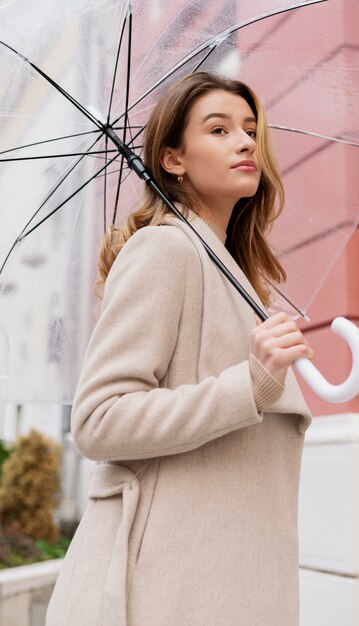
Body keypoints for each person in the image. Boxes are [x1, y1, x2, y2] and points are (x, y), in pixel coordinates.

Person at [46, 71, 313, 626]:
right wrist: (250, 384)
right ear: (174, 160)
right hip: (165, 590)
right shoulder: (165, 250)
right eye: (218, 130)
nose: (246, 141)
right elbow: (99, 420)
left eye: (250, 128)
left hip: (228, 585)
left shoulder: (234, 275)